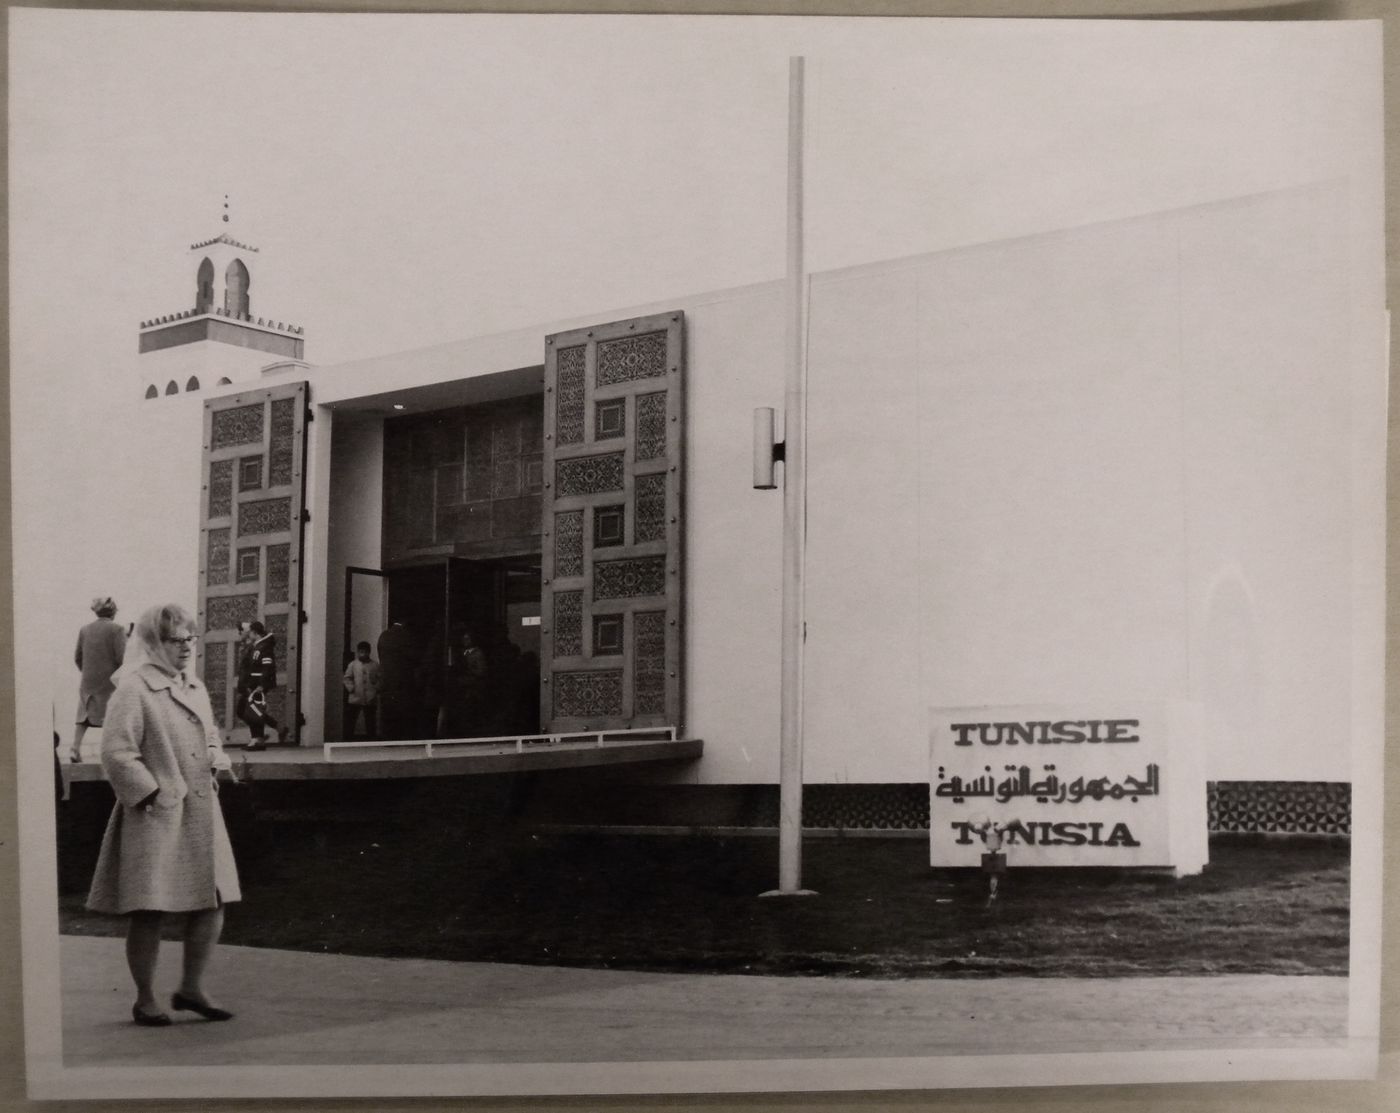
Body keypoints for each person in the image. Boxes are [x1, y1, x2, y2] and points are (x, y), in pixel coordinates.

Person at [85, 602, 241, 1027]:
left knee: (214, 901)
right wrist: (151, 794)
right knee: (149, 908)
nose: (188, 646)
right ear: (154, 643)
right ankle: (144, 998)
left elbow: (210, 734)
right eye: (177, 639)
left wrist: (214, 755)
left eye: (191, 637)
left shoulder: (194, 687)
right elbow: (116, 753)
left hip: (201, 812)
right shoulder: (133, 688)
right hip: (157, 812)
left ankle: (191, 988)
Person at [70, 596, 127, 764]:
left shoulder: (84, 630)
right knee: (114, 715)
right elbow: (122, 658)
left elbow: (77, 657)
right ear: (113, 611)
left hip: (88, 680)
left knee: (84, 716)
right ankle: (114, 752)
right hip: (109, 682)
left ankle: (74, 748)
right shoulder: (117, 629)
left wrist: (88, 672)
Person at [235, 619, 279, 751]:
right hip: (250, 684)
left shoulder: (262, 646)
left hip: (255, 685)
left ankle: (258, 739)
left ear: (254, 632)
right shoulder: (256, 645)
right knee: (250, 711)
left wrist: (261, 685)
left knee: (250, 711)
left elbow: (267, 667)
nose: (244, 634)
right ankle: (269, 732)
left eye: (246, 631)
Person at [437, 628, 489, 738]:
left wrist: (467, 669)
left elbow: (481, 671)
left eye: (468, 639)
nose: (465, 641)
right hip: (460, 687)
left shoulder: (478, 653)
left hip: (471, 688)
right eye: (463, 639)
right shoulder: (461, 652)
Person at [341, 641, 381, 740]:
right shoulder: (353, 664)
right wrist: (351, 688)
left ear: (369, 652)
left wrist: (376, 689)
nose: (363, 654)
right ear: (358, 652)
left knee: (370, 720)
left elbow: (380, 678)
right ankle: (348, 739)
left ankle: (371, 738)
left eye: (365, 652)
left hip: (370, 697)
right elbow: (347, 678)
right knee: (351, 719)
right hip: (355, 696)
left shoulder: (375, 665)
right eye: (361, 652)